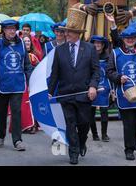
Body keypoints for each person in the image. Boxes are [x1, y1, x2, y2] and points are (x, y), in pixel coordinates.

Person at [48, 9, 100, 165]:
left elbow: (96, 71)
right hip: (66, 95)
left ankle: (82, 142)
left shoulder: (90, 49)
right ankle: (74, 152)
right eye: (65, 31)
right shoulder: (59, 50)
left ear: (78, 33)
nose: (66, 34)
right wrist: (50, 92)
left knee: (84, 124)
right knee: (70, 124)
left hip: (84, 94)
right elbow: (55, 74)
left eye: (70, 32)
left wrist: (93, 86)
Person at [106, 26, 136, 161]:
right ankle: (129, 149)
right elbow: (109, 71)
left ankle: (134, 139)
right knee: (129, 123)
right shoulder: (115, 53)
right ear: (124, 40)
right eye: (127, 38)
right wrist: (118, 77)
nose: (130, 40)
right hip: (125, 93)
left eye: (133, 38)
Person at [0, 20, 33, 151]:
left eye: (13, 29)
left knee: (17, 112)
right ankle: (1, 135)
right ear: (4, 31)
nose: (12, 31)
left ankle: (17, 140)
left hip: (18, 84)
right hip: (1, 84)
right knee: (1, 113)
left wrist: (30, 81)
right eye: (8, 29)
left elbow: (27, 65)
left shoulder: (22, 44)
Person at [89, 36, 112, 142]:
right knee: (91, 112)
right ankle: (94, 134)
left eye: (99, 43)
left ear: (103, 45)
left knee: (104, 111)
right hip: (91, 87)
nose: (97, 45)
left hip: (104, 86)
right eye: (95, 43)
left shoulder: (108, 57)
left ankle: (104, 134)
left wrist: (112, 88)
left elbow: (111, 72)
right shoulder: (89, 55)